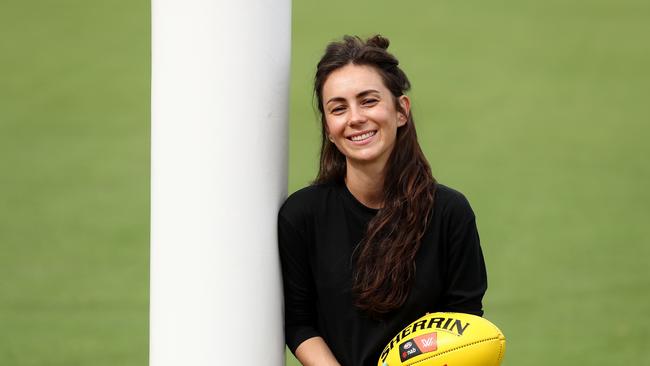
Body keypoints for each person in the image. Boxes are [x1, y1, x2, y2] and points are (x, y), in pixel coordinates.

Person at [278, 35, 487, 366]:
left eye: (369, 101)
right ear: (329, 129)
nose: (355, 117)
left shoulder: (450, 213)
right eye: (338, 108)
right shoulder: (302, 216)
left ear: (401, 110)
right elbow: (299, 323)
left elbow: (466, 323)